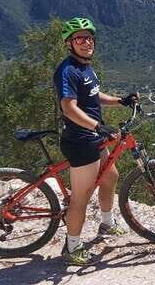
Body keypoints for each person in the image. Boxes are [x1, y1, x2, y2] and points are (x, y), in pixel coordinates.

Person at [53, 17, 138, 265]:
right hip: (80, 141)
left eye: (89, 38)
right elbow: (69, 108)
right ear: (69, 43)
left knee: (110, 177)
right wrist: (97, 126)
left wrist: (120, 101)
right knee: (81, 196)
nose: (86, 42)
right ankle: (72, 247)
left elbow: (92, 95)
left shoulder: (86, 68)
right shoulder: (67, 70)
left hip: (93, 137)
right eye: (79, 38)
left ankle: (106, 224)